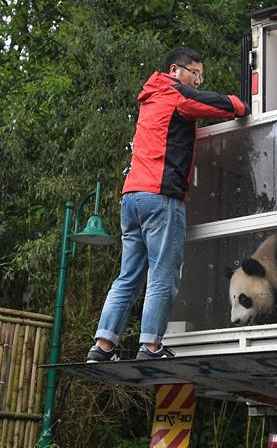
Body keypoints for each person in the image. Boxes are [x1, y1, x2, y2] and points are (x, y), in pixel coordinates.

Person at [87, 47, 249, 362]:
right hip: (160, 197)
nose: (198, 81)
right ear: (175, 70)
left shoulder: (150, 98)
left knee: (128, 276)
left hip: (131, 197)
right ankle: (150, 347)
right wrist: (241, 104)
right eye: (195, 73)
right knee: (163, 274)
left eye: (201, 76)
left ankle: (102, 346)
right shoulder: (176, 95)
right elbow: (224, 106)